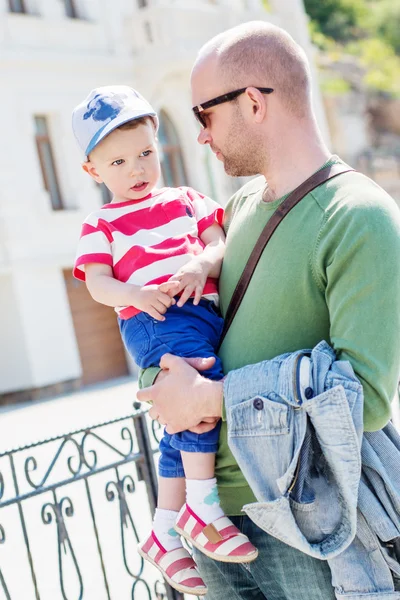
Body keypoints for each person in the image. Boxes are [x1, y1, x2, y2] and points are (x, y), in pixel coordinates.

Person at [137, 21, 400, 600]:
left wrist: (207, 399)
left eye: (204, 115)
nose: (200, 136)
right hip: (212, 524)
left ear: (252, 103)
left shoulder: (360, 216)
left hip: (304, 521)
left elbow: (369, 398)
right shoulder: (234, 211)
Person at [71, 85, 258, 597]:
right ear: (93, 171)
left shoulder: (187, 200)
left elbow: (219, 241)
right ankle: (202, 507)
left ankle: (162, 533)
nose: (137, 169)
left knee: (181, 413)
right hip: (155, 315)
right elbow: (95, 281)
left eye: (147, 154)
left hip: (201, 312)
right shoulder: (101, 222)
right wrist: (132, 291)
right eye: (119, 162)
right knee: (196, 388)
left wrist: (203, 261)